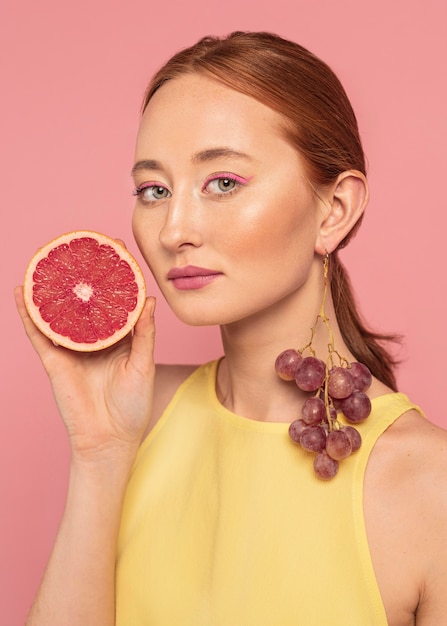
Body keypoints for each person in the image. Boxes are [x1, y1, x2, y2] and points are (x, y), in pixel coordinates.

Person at [15, 31, 447, 626]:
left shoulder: (430, 486)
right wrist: (99, 454)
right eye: (154, 190)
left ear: (335, 210)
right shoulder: (132, 419)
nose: (173, 230)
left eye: (223, 183)